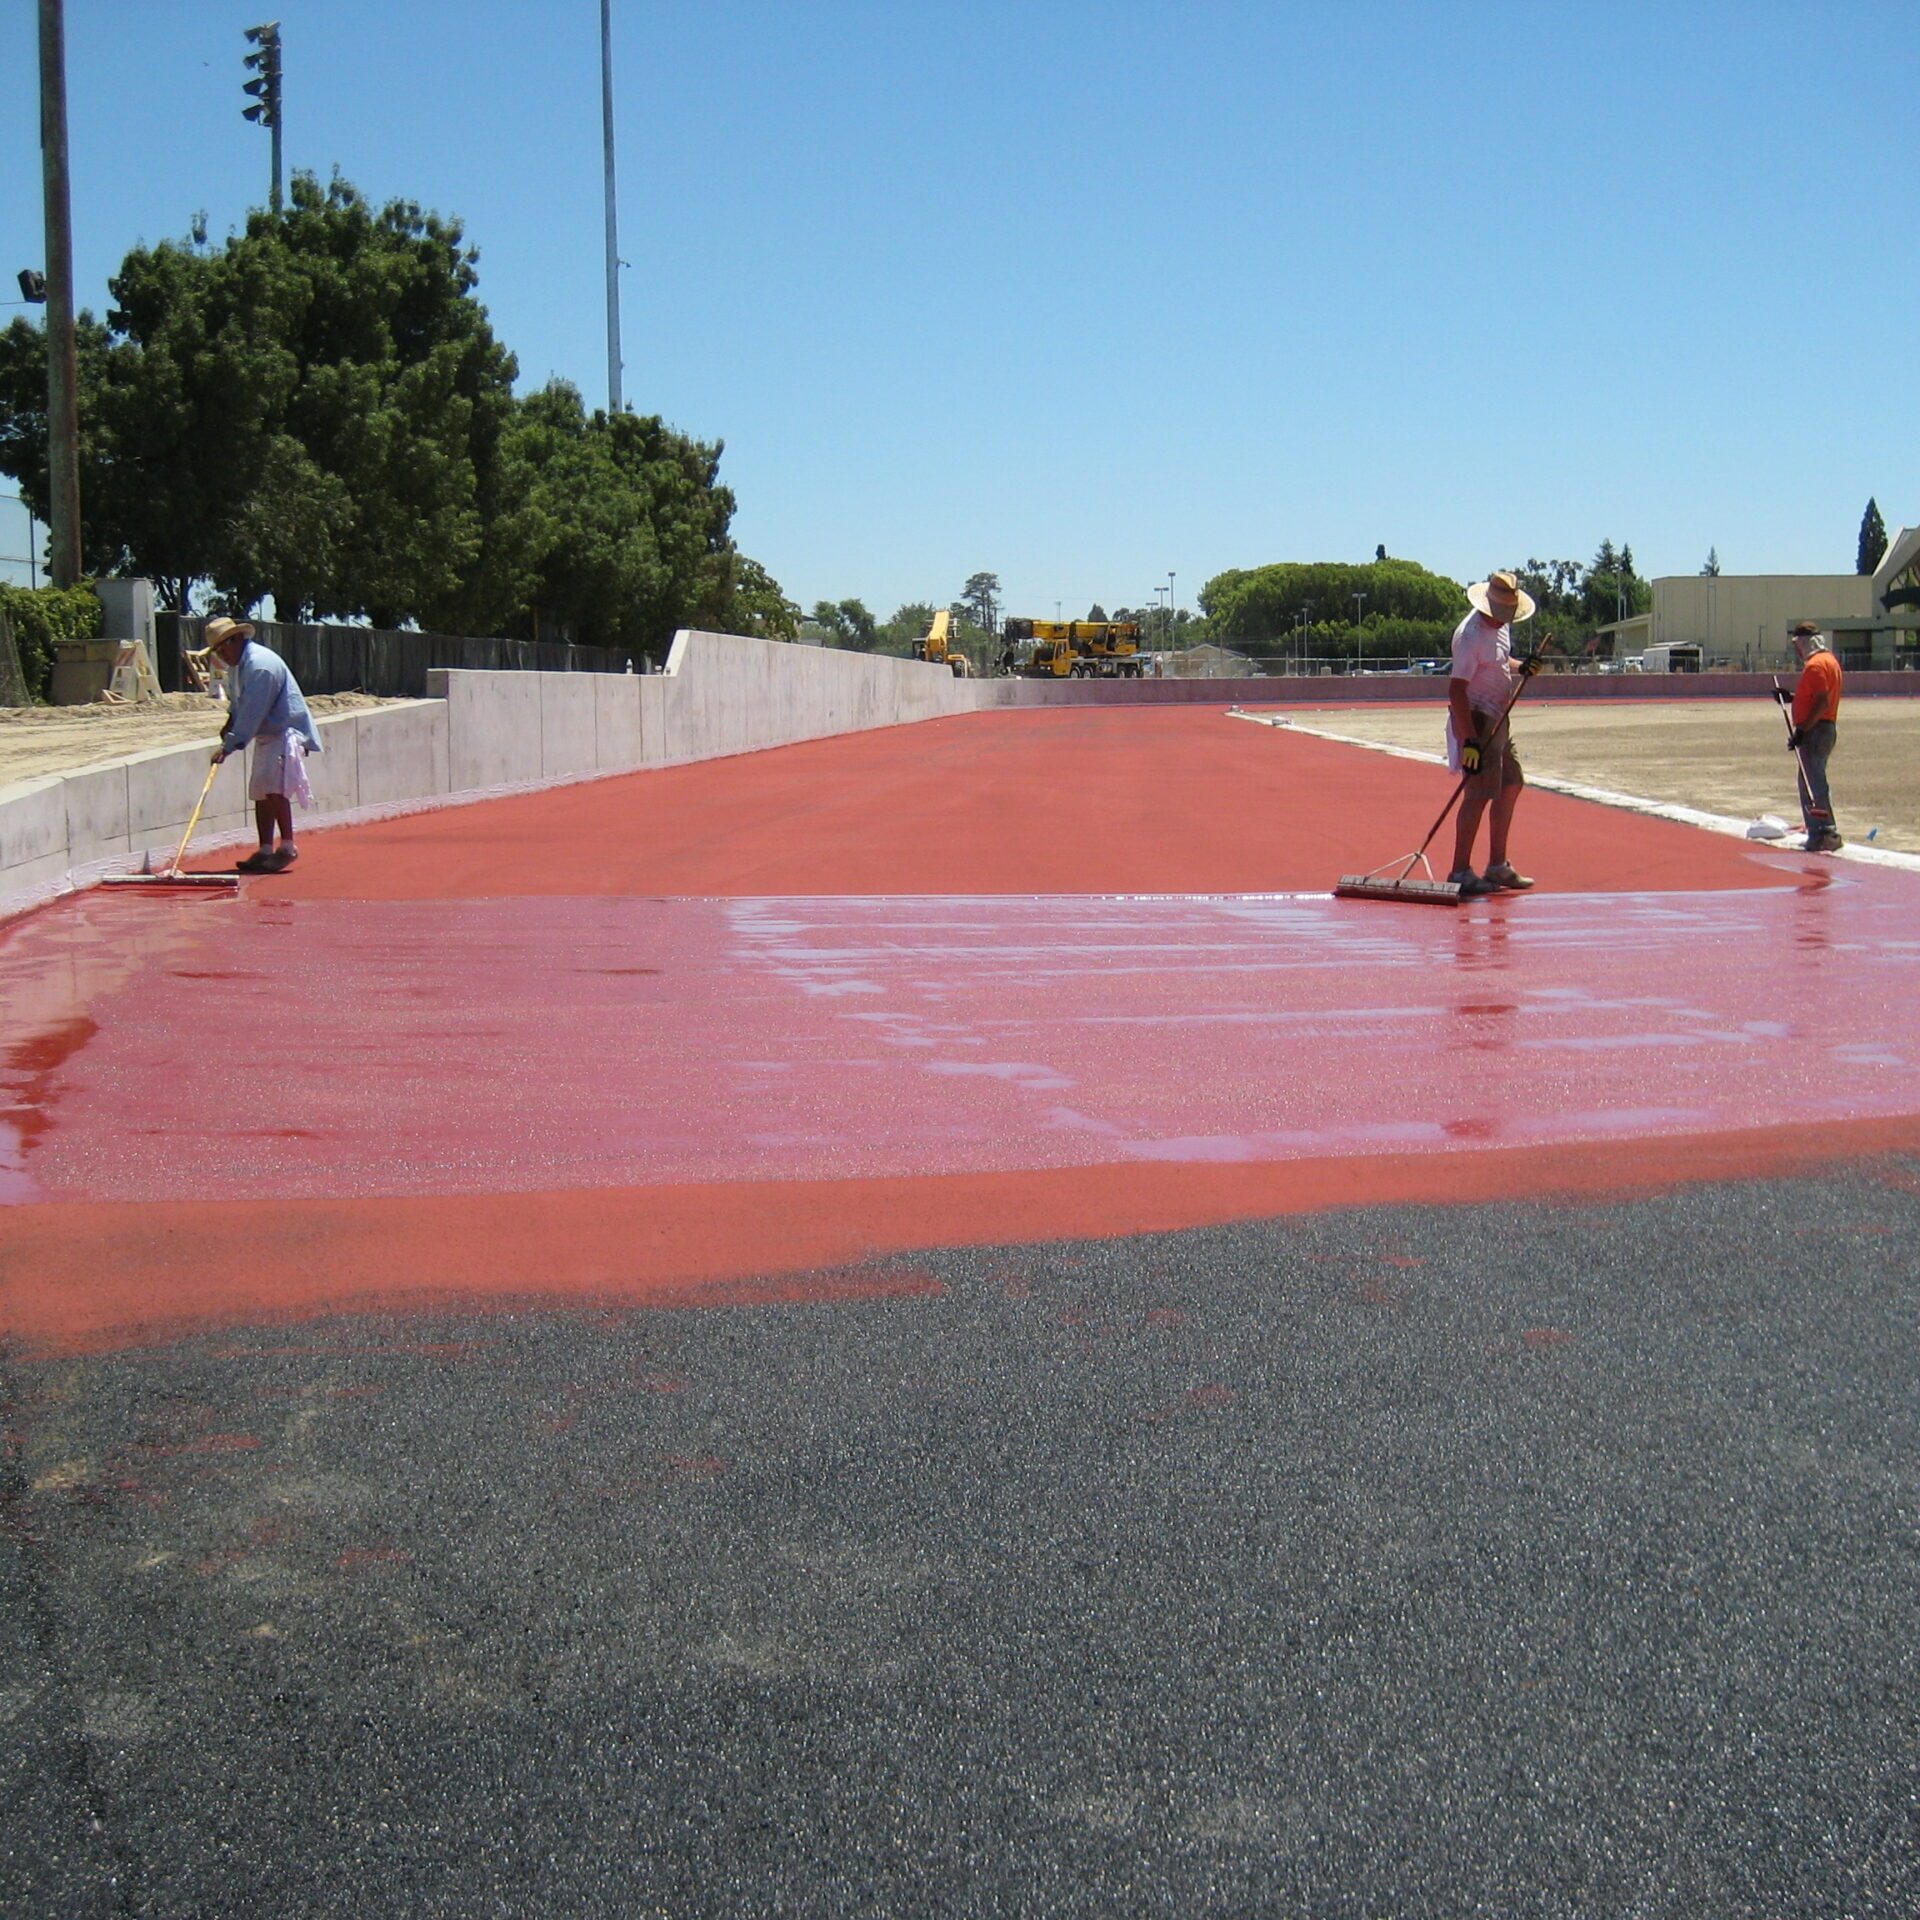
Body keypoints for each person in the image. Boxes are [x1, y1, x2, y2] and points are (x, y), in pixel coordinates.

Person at [1445, 570, 1541, 895]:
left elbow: (1499, 661)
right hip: (1476, 719)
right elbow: (1456, 691)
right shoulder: (1471, 636)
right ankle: (1459, 871)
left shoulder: (1500, 628)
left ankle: (1497, 866)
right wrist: (1470, 739)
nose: (1503, 620)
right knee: (1478, 794)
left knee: (1511, 783)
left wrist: (1520, 666)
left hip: (1499, 717)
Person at [206, 617, 320, 873]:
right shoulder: (239, 667)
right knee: (260, 790)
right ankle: (266, 849)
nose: (221, 656)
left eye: (222, 649)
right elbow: (239, 705)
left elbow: (253, 711)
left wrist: (229, 746)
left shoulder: (260, 667)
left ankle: (287, 847)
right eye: (217, 652)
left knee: (275, 790)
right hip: (266, 734)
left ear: (235, 640)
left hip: (283, 732)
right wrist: (229, 724)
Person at [1780, 619, 1844, 852]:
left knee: (1812, 783)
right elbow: (1816, 696)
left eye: (1797, 645)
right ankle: (1822, 831)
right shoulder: (1830, 662)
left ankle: (1823, 832)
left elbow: (1821, 702)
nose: (1796, 650)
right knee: (1813, 779)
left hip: (1817, 729)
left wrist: (1802, 730)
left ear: (1804, 643)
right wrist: (1793, 698)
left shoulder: (1815, 666)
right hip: (1825, 727)